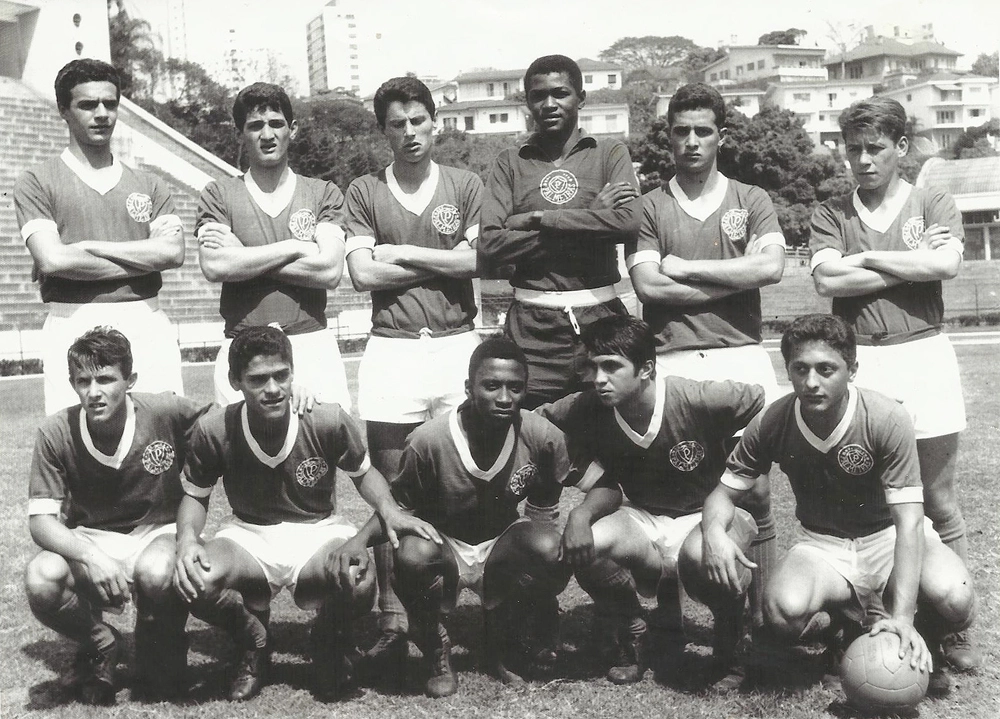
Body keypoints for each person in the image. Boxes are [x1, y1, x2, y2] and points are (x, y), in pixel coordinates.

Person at [702, 314, 976, 695]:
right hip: (822, 545)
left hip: (887, 536)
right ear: (789, 370)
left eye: (826, 369)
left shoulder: (885, 417)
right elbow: (723, 494)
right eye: (800, 369)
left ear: (852, 369)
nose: (811, 382)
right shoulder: (771, 421)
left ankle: (924, 636)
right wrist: (714, 531)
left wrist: (902, 618)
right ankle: (838, 627)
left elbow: (910, 521)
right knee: (781, 612)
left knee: (955, 596)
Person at [171, 326, 435, 701]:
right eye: (258, 379)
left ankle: (328, 639)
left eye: (281, 375)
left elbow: (363, 474)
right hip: (248, 535)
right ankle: (253, 642)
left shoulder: (323, 418)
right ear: (235, 381)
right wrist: (185, 540)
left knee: (357, 576)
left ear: (293, 372)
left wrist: (388, 508)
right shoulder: (216, 428)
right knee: (190, 574)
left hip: (316, 532)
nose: (273, 388)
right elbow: (195, 496)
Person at [808, 96, 978, 671]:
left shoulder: (931, 198)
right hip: (862, 362)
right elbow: (826, 276)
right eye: (853, 148)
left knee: (937, 498)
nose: (862, 159)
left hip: (924, 353)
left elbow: (945, 267)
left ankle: (954, 626)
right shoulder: (833, 209)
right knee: (865, 496)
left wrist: (867, 261)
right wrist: (902, 259)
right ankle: (858, 620)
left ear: (901, 148)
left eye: (875, 147)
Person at [328, 336, 578, 697]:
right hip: (443, 545)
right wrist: (360, 540)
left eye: (515, 388)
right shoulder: (429, 439)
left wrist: (580, 519)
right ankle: (436, 647)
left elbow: (568, 489)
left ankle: (501, 641)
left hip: (499, 543)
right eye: (491, 386)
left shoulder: (540, 434)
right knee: (412, 554)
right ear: (468, 388)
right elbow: (399, 506)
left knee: (549, 547)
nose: (504, 397)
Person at [625, 81, 785, 643]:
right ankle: (668, 610)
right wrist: (727, 278)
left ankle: (764, 615)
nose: (691, 141)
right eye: (681, 131)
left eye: (703, 131)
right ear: (668, 136)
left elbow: (769, 270)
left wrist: (686, 270)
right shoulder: (649, 205)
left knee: (755, 488)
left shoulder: (752, 198)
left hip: (740, 355)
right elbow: (648, 284)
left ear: (722, 135)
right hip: (670, 359)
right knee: (672, 485)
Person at [538, 315, 765, 686]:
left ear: (646, 368)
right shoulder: (586, 405)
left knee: (702, 555)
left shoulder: (696, 397)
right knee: (588, 544)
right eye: (593, 367)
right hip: (644, 517)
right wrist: (579, 514)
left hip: (709, 515)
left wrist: (745, 468)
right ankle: (634, 630)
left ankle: (730, 646)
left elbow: (766, 404)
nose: (598, 378)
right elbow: (530, 424)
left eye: (612, 367)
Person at [344, 76, 482, 666]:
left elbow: (478, 260)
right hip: (393, 346)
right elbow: (362, 276)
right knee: (395, 488)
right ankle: (394, 618)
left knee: (460, 479)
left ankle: (447, 610)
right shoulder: (363, 190)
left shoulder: (466, 184)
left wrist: (398, 253)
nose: (409, 133)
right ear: (383, 130)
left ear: (436, 122)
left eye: (418, 120)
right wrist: (439, 264)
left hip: (457, 343)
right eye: (397, 124)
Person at [23, 327, 212, 704]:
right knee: (41, 577)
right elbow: (41, 521)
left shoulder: (164, 410)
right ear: (73, 384)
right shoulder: (56, 431)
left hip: (159, 529)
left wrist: (299, 397)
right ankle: (101, 643)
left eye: (106, 379)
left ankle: (154, 644)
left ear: (130, 381)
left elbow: (228, 422)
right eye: (84, 381)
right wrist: (91, 556)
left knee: (158, 576)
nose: (94, 392)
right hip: (94, 536)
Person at [14, 59, 185, 416]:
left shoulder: (149, 183)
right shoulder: (37, 180)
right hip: (73, 319)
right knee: (81, 451)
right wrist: (143, 260)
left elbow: (172, 253)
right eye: (88, 104)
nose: (102, 113)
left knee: (159, 440)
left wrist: (88, 248)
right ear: (64, 110)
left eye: (110, 103)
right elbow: (53, 260)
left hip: (145, 317)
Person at [479, 54, 642, 409]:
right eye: (538, 96)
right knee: (536, 439)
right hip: (532, 329)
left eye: (561, 93)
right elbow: (491, 245)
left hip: (600, 321)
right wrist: (590, 219)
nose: (549, 104)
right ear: (527, 103)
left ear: (580, 98)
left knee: (607, 440)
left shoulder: (609, 153)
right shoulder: (511, 161)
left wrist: (538, 218)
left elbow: (627, 221)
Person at [196, 82, 351, 409]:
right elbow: (215, 266)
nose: (267, 135)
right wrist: (296, 248)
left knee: (323, 451)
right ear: (240, 133)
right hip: (243, 345)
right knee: (244, 456)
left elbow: (330, 271)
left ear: (291, 129)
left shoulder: (322, 192)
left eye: (276, 124)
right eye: (255, 126)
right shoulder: (219, 194)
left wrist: (242, 254)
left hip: (310, 341)